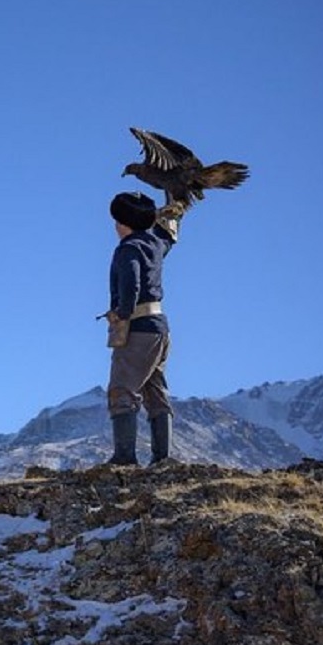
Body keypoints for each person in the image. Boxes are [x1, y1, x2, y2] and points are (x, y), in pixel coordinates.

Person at [104, 192, 177, 465]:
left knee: (122, 390)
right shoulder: (155, 244)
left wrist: (122, 313)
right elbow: (168, 238)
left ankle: (125, 458)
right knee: (155, 390)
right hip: (160, 328)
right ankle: (162, 459)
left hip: (138, 328)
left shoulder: (127, 249)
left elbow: (131, 284)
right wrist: (171, 214)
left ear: (123, 222)